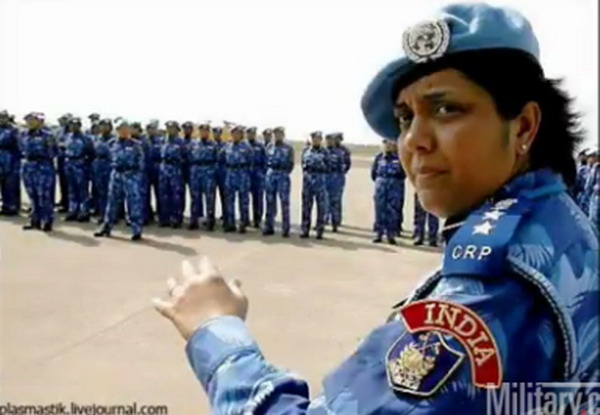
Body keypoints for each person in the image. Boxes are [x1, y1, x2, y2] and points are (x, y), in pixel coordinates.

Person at [153, 4, 598, 414]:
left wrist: (217, 334)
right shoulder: (557, 219)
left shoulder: (495, 287)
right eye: (405, 118)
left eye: (446, 109)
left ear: (523, 126)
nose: (414, 140)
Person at [94, 120, 145, 240]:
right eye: (121, 129)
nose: (124, 131)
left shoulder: (136, 145)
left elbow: (141, 162)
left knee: (133, 203)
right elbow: (109, 158)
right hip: (116, 174)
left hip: (130, 175)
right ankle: (107, 227)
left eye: (126, 129)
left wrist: (135, 175)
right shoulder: (112, 143)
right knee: (112, 202)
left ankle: (136, 229)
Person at [20, 112, 56, 231]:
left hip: (43, 166)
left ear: (39, 122)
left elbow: (53, 152)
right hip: (28, 166)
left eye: (33, 120)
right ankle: (35, 220)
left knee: (45, 195)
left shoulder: (47, 136)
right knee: (32, 195)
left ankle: (47, 220)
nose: (29, 122)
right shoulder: (23, 134)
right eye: (28, 120)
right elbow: (21, 149)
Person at [371, 138, 405, 244]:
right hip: (381, 183)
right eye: (385, 144)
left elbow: (404, 173)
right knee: (379, 209)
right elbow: (373, 173)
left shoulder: (399, 158)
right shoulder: (378, 157)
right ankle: (379, 233)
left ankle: (391, 234)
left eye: (389, 143)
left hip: (394, 184)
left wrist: (395, 180)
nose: (387, 146)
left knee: (393, 210)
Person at [262, 126, 294, 237]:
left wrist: (283, 172)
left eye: (279, 134)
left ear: (283, 135)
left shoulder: (288, 148)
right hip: (271, 175)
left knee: (284, 202)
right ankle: (269, 227)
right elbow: (265, 161)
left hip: (283, 175)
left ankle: (285, 229)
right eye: (275, 134)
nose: (277, 136)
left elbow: (291, 164)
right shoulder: (269, 147)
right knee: (270, 202)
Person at [223, 125, 253, 233]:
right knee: (229, 200)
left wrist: (246, 174)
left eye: (238, 134)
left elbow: (251, 162)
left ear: (241, 135)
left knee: (243, 200)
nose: (235, 135)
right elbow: (222, 159)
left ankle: (243, 223)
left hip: (242, 174)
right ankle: (230, 224)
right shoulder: (228, 146)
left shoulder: (247, 147)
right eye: (233, 133)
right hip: (230, 173)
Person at [188, 123, 218, 231]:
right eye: (201, 131)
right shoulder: (193, 144)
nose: (203, 133)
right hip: (196, 171)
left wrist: (213, 172)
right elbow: (189, 157)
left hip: (208, 172)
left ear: (208, 133)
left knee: (210, 198)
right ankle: (194, 220)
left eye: (206, 131)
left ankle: (210, 221)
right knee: (195, 197)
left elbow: (217, 159)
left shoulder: (213, 145)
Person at [64, 117, 94, 222]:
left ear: (80, 126)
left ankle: (84, 211)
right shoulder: (68, 137)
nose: (73, 126)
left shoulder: (86, 138)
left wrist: (86, 164)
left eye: (76, 124)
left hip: (80, 165)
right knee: (71, 189)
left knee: (82, 190)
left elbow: (91, 153)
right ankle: (73, 210)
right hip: (69, 164)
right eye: (71, 124)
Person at [300, 131, 329, 239]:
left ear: (321, 140)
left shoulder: (325, 152)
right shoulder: (306, 151)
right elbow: (303, 165)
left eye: (318, 139)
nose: (315, 140)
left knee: (321, 206)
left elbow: (329, 166)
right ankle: (305, 229)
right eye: (314, 139)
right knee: (306, 206)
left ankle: (320, 230)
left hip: (320, 179)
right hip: (308, 180)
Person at [158, 121, 185, 228]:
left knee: (176, 196)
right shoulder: (162, 141)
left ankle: (176, 219)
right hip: (164, 168)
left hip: (176, 169)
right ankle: (164, 218)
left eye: (172, 128)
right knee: (163, 194)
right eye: (168, 128)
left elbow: (186, 157)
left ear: (177, 130)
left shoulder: (181, 142)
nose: (170, 130)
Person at [91, 119, 115, 223]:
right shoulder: (97, 138)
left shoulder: (114, 139)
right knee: (100, 192)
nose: (104, 128)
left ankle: (112, 215)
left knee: (111, 192)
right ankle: (102, 214)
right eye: (102, 126)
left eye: (106, 125)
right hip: (98, 165)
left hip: (109, 165)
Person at [0, 110, 20, 215]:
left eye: (4, 117)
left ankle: (13, 206)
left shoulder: (13, 130)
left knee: (11, 184)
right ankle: (5, 205)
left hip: (11, 158)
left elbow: (19, 145)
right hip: (1, 158)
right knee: (3, 183)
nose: (2, 119)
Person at [324, 133, 345, 232]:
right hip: (324, 177)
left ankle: (335, 223)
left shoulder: (339, 153)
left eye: (331, 140)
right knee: (323, 201)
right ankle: (323, 221)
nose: (329, 142)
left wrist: (339, 179)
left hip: (335, 178)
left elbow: (343, 167)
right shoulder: (322, 152)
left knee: (335, 201)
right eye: (327, 140)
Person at [246, 126, 267, 228]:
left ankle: (257, 219)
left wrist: (263, 173)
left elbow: (265, 160)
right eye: (249, 133)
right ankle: (245, 219)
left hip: (257, 174)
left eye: (253, 134)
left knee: (258, 198)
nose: (251, 135)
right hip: (246, 174)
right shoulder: (243, 145)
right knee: (244, 198)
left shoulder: (260, 146)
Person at [146, 120, 163, 224]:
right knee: (146, 193)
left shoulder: (161, 141)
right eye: (149, 128)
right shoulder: (143, 141)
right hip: (147, 169)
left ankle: (161, 214)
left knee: (159, 193)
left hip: (157, 169)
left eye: (153, 128)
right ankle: (148, 214)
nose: (151, 130)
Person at [55, 113, 72, 213]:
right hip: (61, 160)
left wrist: (63, 145)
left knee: (70, 184)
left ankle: (69, 204)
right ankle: (64, 201)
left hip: (70, 160)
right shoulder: (60, 131)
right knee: (62, 182)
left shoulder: (72, 133)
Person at [212, 126, 227, 223]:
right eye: (215, 133)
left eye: (218, 133)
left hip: (222, 172)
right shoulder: (210, 144)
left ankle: (225, 215)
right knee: (211, 195)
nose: (216, 135)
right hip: (211, 173)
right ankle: (211, 215)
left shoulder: (225, 145)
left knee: (224, 195)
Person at [182, 121, 195, 218]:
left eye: (189, 129)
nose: (187, 131)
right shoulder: (180, 142)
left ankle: (194, 216)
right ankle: (180, 214)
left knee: (194, 195)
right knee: (179, 194)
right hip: (181, 170)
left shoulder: (195, 143)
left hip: (192, 171)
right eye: (185, 129)